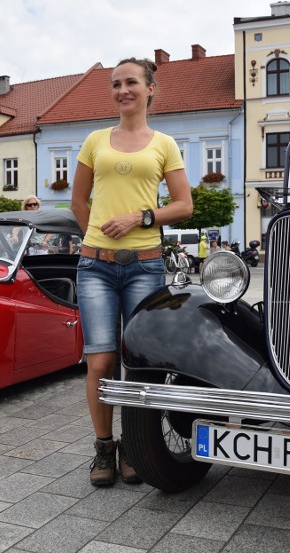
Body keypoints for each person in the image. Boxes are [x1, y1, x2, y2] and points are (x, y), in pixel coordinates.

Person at [71, 56, 193, 487]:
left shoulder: (164, 144)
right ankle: (105, 448)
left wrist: (139, 219)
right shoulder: (95, 140)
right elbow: (78, 201)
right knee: (100, 360)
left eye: (131, 83)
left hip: (145, 265)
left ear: (150, 89)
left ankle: (136, 447)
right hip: (96, 266)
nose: (123, 90)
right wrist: (98, 234)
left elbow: (183, 205)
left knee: (138, 362)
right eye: (116, 84)